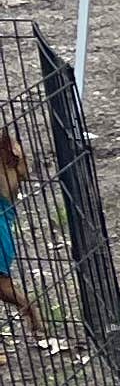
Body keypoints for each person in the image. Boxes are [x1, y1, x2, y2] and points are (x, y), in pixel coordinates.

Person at [0, 129, 50, 345]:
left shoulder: (8, 166)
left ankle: (33, 314)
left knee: (3, 286)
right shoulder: (12, 164)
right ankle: (33, 315)